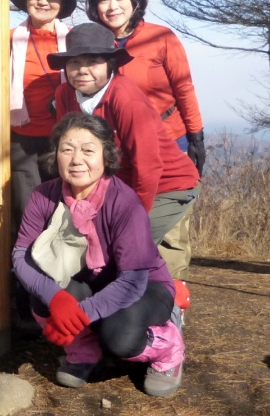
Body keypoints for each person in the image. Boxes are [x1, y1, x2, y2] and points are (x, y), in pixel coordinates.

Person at [13, 112, 184, 397]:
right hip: (86, 280)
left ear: (106, 155)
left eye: (88, 150)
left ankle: (169, 348)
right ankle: (83, 351)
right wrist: (56, 298)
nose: (76, 159)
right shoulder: (43, 195)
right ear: (55, 154)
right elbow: (21, 255)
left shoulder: (124, 202)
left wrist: (79, 315)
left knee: (119, 338)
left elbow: (132, 280)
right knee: (41, 292)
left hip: (143, 287)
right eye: (67, 149)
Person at [51, 24, 201, 282]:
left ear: (110, 64)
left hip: (167, 185)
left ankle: (166, 312)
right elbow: (69, 150)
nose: (82, 70)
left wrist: (134, 219)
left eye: (93, 61)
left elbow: (149, 164)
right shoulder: (65, 94)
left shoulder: (124, 95)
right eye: (74, 62)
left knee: (130, 248)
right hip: (120, 186)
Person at [85, 0, 205, 173]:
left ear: (134, 2)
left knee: (170, 199)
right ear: (96, 8)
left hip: (168, 137)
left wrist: (196, 136)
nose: (113, 6)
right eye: (104, 0)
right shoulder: (92, 45)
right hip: (115, 144)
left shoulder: (160, 37)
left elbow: (183, 88)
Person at [8, 0, 74, 227]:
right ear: (26, 0)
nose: (43, 1)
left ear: (61, 3)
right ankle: (27, 264)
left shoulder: (73, 40)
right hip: (20, 138)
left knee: (64, 205)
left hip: (64, 136)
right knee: (27, 208)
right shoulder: (9, 38)